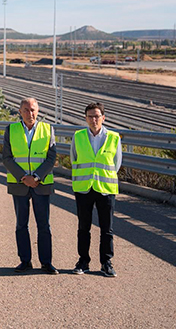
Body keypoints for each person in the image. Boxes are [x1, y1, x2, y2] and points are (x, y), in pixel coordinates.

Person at [2, 98, 58, 274]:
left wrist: (37, 177)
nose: (30, 113)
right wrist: (23, 177)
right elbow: (7, 157)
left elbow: (51, 157)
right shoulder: (11, 130)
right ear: (20, 111)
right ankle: (25, 260)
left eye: (33, 110)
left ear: (38, 110)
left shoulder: (47, 129)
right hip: (20, 185)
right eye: (26, 110)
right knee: (21, 224)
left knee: (44, 225)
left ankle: (46, 262)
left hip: (41, 185)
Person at [71, 102, 122, 277]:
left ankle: (106, 262)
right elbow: (74, 159)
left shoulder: (114, 137)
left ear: (103, 118)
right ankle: (83, 261)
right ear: (85, 118)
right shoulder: (78, 136)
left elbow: (116, 164)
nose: (94, 119)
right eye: (90, 116)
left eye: (97, 116)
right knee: (83, 227)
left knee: (107, 228)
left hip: (106, 188)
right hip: (84, 187)